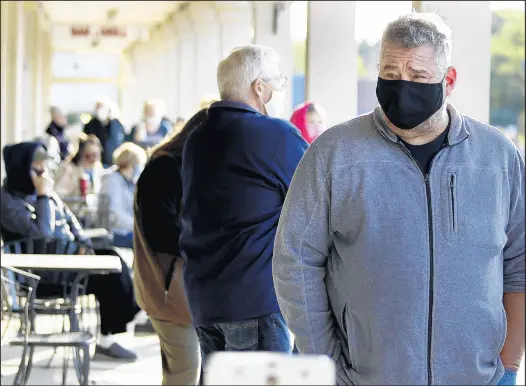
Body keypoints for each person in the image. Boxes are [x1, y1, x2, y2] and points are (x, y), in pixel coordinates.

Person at [273, 12, 525, 386]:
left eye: (418, 76)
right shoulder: (335, 154)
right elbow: (295, 261)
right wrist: (324, 362)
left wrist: (509, 365)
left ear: (448, 80)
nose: (402, 87)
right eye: (390, 74)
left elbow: (518, 262)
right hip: (364, 379)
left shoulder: (497, 156)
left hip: (480, 378)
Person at [179, 45, 308, 363]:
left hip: (204, 298)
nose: (279, 91)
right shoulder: (274, 135)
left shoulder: (197, 138)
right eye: (277, 83)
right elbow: (319, 197)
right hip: (253, 299)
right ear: (258, 88)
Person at [0, 141, 144, 360]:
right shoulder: (8, 201)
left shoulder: (45, 192)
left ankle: (125, 320)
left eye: (43, 168)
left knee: (111, 258)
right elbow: (44, 233)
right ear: (20, 168)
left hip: (69, 264)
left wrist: (83, 246)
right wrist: (43, 196)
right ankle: (118, 328)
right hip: (41, 277)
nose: (42, 173)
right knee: (109, 277)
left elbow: (71, 221)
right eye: (36, 168)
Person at [133, 109, 208, 386]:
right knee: (184, 372)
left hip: (179, 289)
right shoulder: (165, 168)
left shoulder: (179, 165)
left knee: (184, 371)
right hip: (170, 289)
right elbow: (160, 231)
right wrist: (207, 243)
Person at [100, 142, 147, 249]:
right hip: (114, 233)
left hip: (125, 230)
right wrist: (136, 226)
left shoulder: (126, 182)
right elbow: (115, 214)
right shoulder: (111, 180)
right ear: (130, 165)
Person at [54, 134, 105, 198]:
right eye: (88, 155)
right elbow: (59, 192)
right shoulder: (68, 168)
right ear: (81, 153)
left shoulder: (100, 171)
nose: (92, 159)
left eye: (95, 155)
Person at [83, 99, 126, 167]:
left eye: (101, 108)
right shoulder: (90, 125)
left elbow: (123, 139)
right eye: (97, 108)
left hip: (116, 162)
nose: (99, 110)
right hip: (98, 163)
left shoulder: (117, 123)